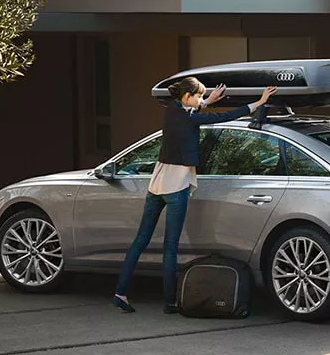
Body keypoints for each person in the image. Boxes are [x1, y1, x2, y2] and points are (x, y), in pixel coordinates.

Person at [112, 79, 277, 314]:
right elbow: (221, 118)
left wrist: (207, 101)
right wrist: (259, 102)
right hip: (176, 186)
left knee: (140, 241)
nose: (201, 100)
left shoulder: (172, 110)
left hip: (156, 185)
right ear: (187, 96)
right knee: (170, 246)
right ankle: (169, 303)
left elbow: (192, 111)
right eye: (198, 96)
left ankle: (120, 292)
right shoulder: (189, 117)